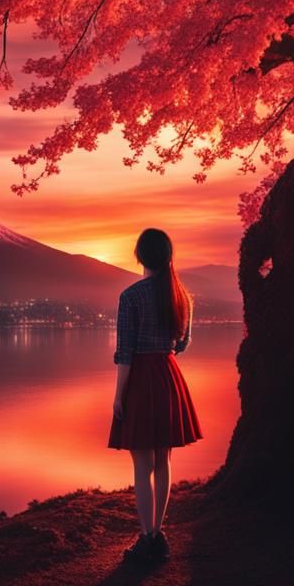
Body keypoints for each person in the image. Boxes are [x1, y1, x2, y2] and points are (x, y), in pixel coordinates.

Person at [108, 228, 203, 566]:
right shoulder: (181, 297)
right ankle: (158, 535)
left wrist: (119, 396)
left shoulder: (130, 297)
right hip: (168, 376)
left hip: (141, 380)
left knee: (141, 465)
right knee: (163, 461)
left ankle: (147, 537)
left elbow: (125, 353)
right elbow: (181, 345)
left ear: (139, 256)